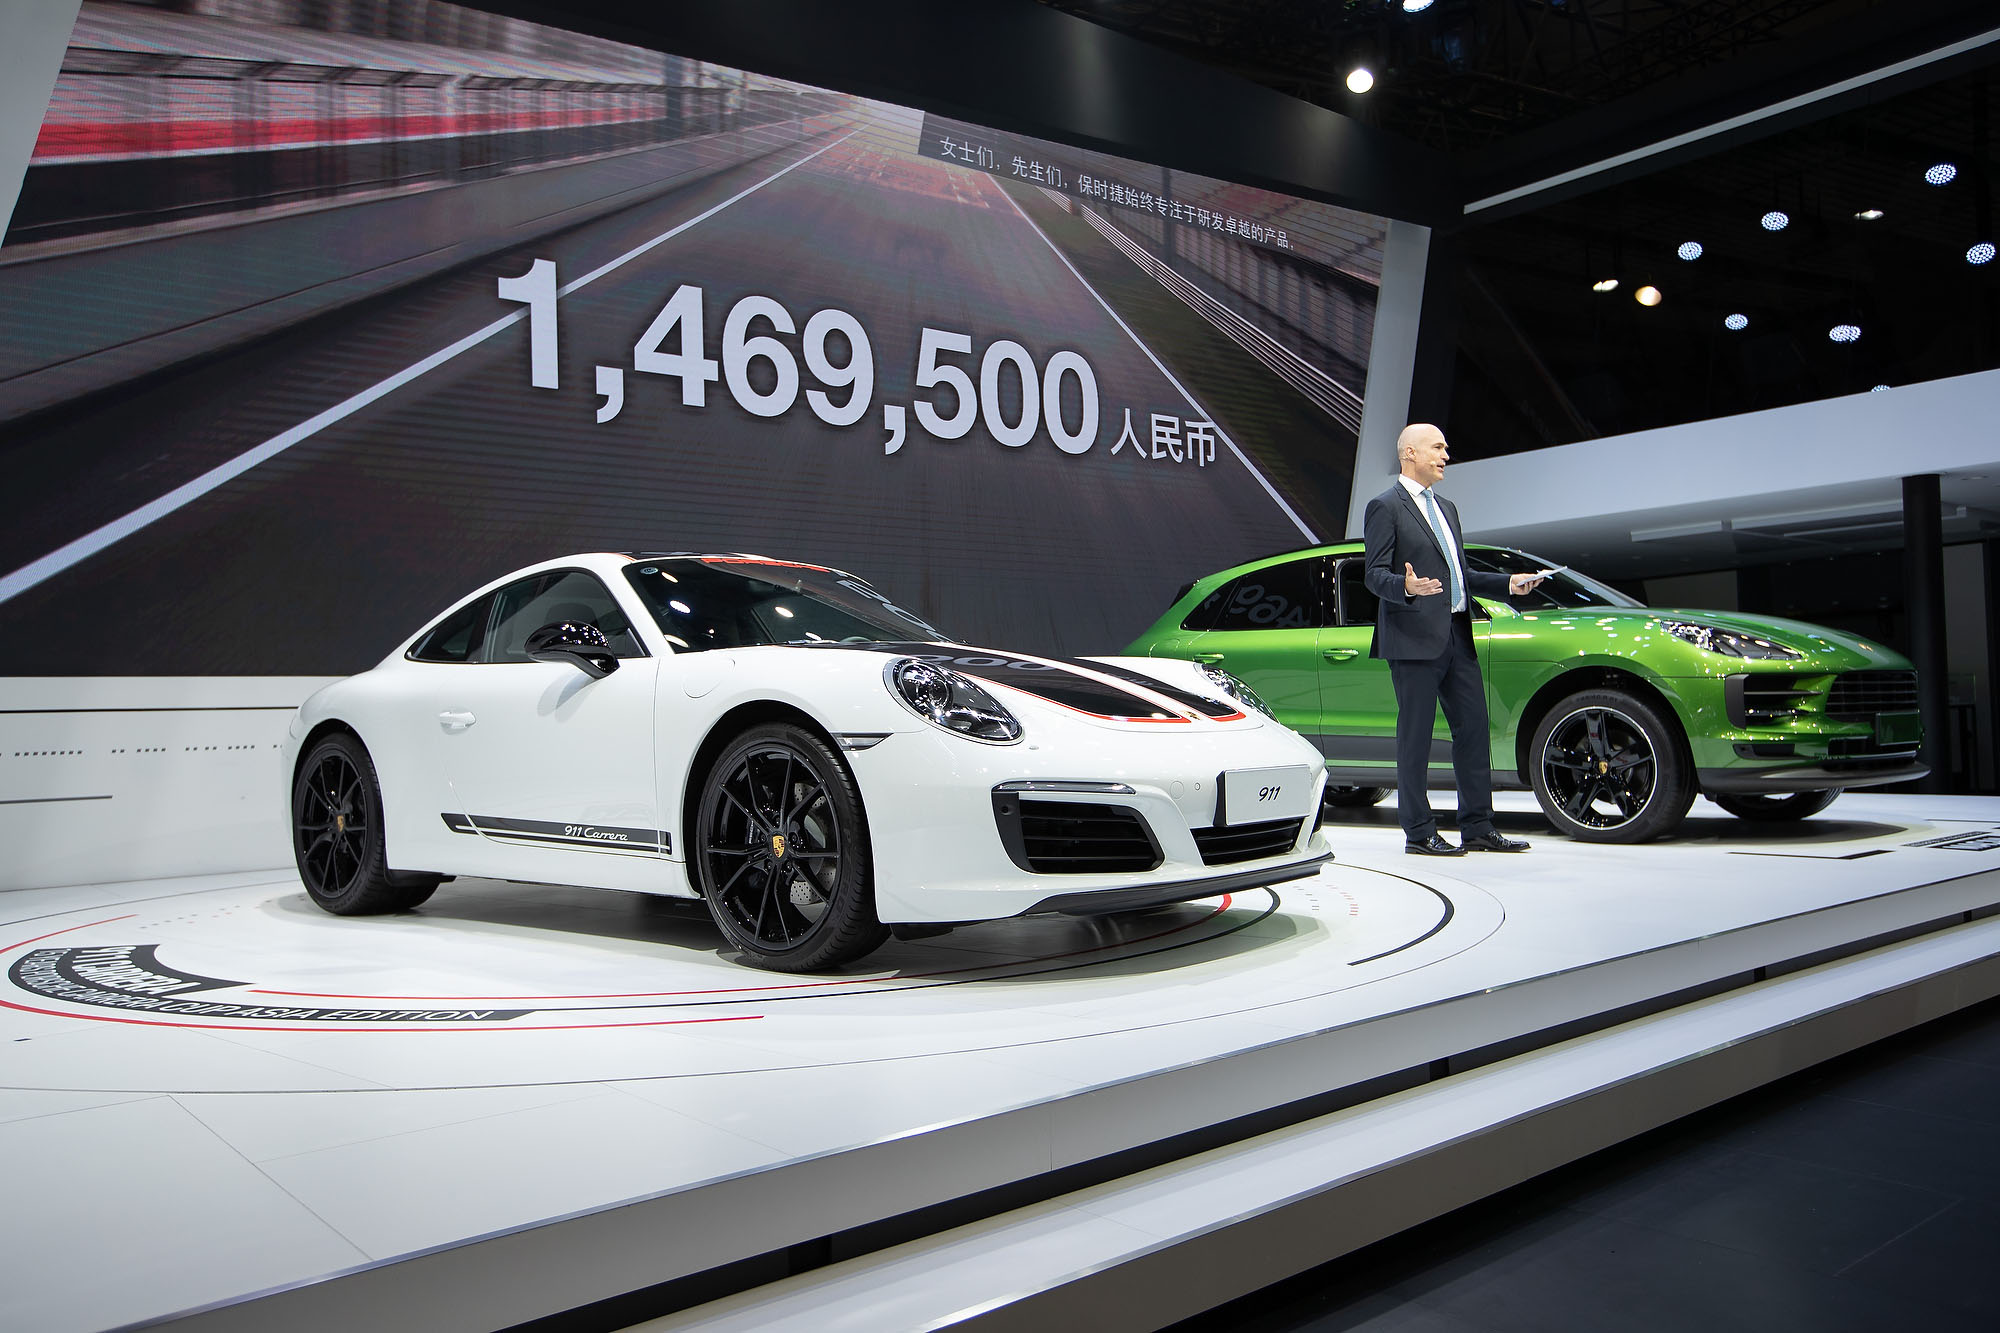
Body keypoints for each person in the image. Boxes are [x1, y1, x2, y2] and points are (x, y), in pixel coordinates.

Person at [1362, 423, 1545, 856]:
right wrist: (1406, 587)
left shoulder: (1446, 507)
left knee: (1473, 730)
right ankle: (1418, 832)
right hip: (1412, 638)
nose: (1446, 455)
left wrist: (1508, 584)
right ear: (1410, 453)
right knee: (1416, 738)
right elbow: (1374, 575)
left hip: (1457, 635)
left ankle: (1477, 827)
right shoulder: (1385, 506)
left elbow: (1459, 574)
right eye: (1438, 447)